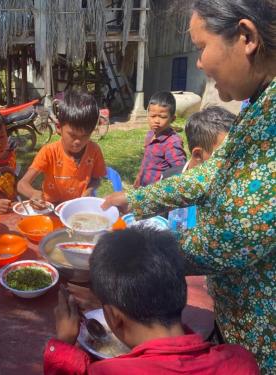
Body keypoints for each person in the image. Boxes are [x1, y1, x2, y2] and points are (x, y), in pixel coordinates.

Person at [98, 0, 275, 372]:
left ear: (246, 37)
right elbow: (212, 174)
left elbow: (233, 238)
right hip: (235, 322)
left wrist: (127, 260)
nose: (198, 64)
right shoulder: (259, 105)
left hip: (263, 342)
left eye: (201, 47)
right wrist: (135, 198)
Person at [45, 227, 259, 374]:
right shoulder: (241, 362)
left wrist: (62, 344)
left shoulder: (104, 371)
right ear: (180, 292)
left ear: (113, 316)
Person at [17, 89, 106, 205]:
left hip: (78, 208)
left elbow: (96, 178)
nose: (78, 141)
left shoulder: (94, 151)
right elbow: (22, 184)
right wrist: (33, 193)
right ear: (59, 127)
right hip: (51, 207)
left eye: (85, 135)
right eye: (73, 135)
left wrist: (89, 190)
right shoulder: (49, 152)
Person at [134, 91, 187, 187]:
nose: (156, 121)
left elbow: (180, 171)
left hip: (157, 194)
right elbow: (146, 161)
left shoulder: (172, 143)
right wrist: (139, 178)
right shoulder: (150, 135)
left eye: (162, 117)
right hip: (143, 190)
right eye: (153, 116)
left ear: (173, 118)